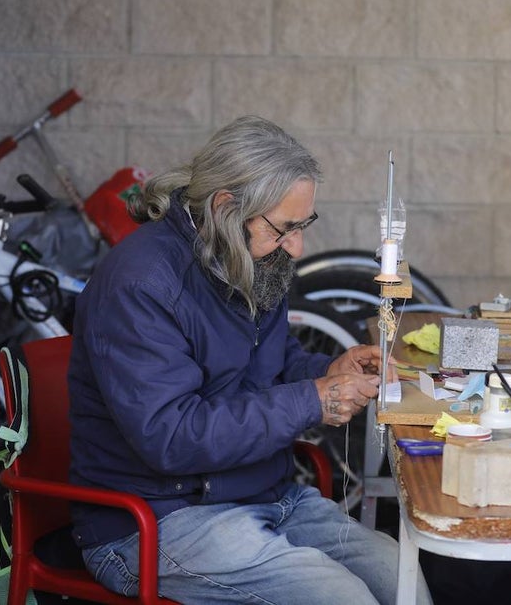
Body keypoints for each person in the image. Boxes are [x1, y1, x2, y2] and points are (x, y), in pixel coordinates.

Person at [67, 116, 432, 605]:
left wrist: (328, 373)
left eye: (304, 226)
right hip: (156, 517)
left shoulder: (251, 257)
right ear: (224, 207)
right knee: (343, 598)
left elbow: (274, 365)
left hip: (258, 493)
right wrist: (312, 400)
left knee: (398, 574)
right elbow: (172, 438)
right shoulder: (141, 285)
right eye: (284, 229)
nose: (297, 247)